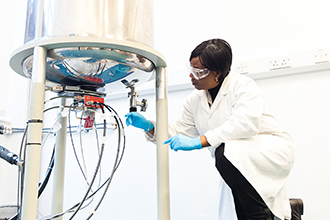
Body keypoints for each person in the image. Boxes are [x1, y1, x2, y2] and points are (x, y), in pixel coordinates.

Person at [125, 38, 295, 220]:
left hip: (268, 149)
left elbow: (244, 124)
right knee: (236, 203)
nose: (192, 76)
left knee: (226, 154)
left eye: (199, 72)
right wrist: (150, 126)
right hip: (233, 161)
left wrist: (201, 141)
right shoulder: (195, 99)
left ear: (218, 74)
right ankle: (290, 213)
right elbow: (179, 130)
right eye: (191, 69)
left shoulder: (243, 86)